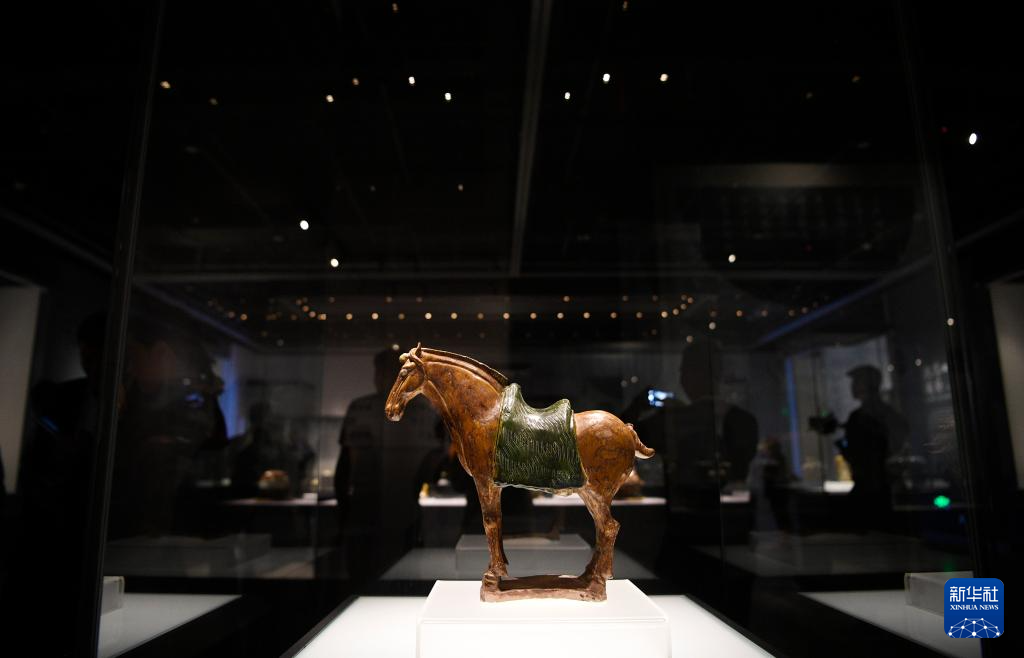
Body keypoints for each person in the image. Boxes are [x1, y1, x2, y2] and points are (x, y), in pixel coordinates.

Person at [107, 316, 227, 539]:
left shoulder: (187, 401)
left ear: (161, 353)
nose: (130, 368)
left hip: (167, 520)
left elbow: (212, 444)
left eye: (134, 357)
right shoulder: (135, 397)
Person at [334, 349, 443, 580]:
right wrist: (344, 513)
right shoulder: (360, 408)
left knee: (404, 575)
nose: (381, 378)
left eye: (388, 372)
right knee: (363, 575)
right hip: (365, 509)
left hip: (403, 509)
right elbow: (344, 468)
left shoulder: (424, 411)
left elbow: (432, 466)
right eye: (379, 371)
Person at [837, 364, 908, 531]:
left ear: (867, 384)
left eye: (857, 381)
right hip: (875, 486)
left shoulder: (867, 416)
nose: (853, 386)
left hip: (874, 488)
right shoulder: (870, 415)